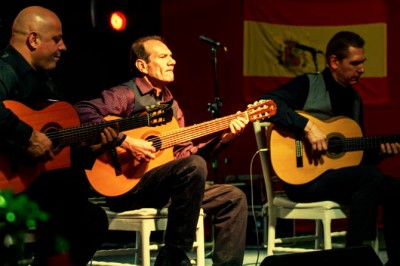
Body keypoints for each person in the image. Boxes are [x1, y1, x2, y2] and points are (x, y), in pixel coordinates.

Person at [74, 35, 250, 266]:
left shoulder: (171, 105)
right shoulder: (125, 94)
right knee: (194, 167)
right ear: (142, 65)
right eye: (163, 56)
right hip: (127, 187)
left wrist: (222, 138)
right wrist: (126, 142)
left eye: (172, 56)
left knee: (233, 197)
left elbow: (185, 157)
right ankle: (174, 256)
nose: (173, 61)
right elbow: (82, 111)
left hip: (166, 189)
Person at [256, 31, 400, 266]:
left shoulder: (354, 100)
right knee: (370, 178)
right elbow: (268, 104)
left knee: (395, 187)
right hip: (304, 181)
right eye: (355, 63)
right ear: (334, 62)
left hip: (336, 179)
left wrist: (379, 152)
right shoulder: (307, 84)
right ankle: (355, 258)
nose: (361, 69)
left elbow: (354, 157)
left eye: (362, 63)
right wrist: (307, 126)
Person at [0, 6, 119, 266]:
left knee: (93, 218)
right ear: (33, 39)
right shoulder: (6, 69)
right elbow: (31, 139)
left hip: (38, 190)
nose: (63, 47)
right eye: (57, 39)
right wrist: (27, 136)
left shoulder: (45, 83)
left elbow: (53, 155)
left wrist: (92, 151)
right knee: (70, 193)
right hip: (7, 191)